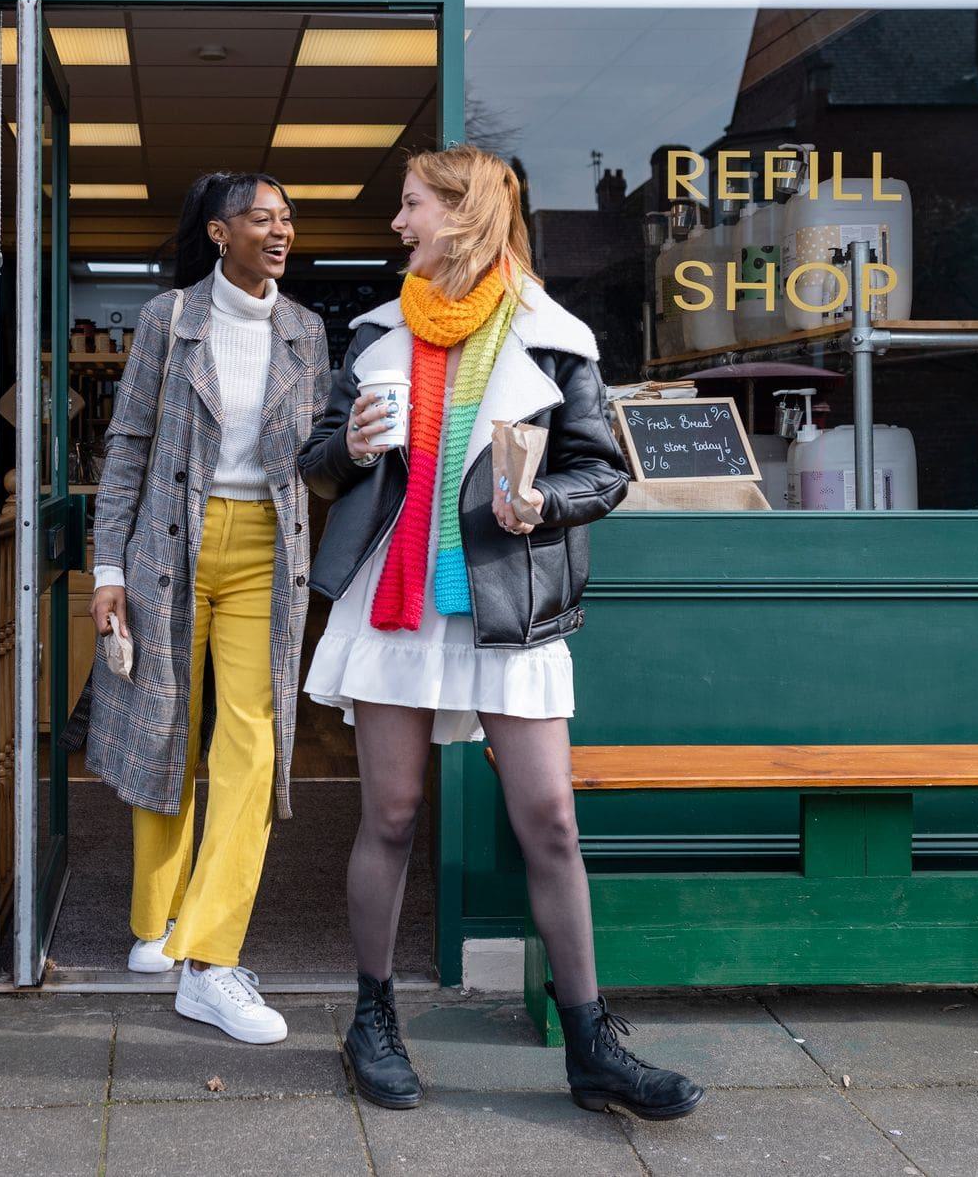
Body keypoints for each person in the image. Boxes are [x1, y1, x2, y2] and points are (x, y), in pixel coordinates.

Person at [299, 146, 705, 1119]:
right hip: (395, 604)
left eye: (410, 205)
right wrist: (347, 446)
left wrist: (541, 504)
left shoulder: (552, 337)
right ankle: (371, 1021)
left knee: (550, 820)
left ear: (464, 213)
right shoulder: (374, 335)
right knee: (391, 815)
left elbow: (600, 472)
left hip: (506, 604)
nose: (397, 224)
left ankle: (591, 1045)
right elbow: (315, 464)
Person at [86, 172, 330, 1044]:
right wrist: (107, 565)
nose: (281, 231)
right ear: (221, 232)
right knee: (164, 724)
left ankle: (211, 956)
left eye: (288, 218)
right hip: (169, 544)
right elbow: (128, 445)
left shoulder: (305, 331)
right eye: (263, 218)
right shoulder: (170, 319)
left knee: (251, 741)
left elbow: (318, 455)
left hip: (267, 546)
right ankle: (156, 920)